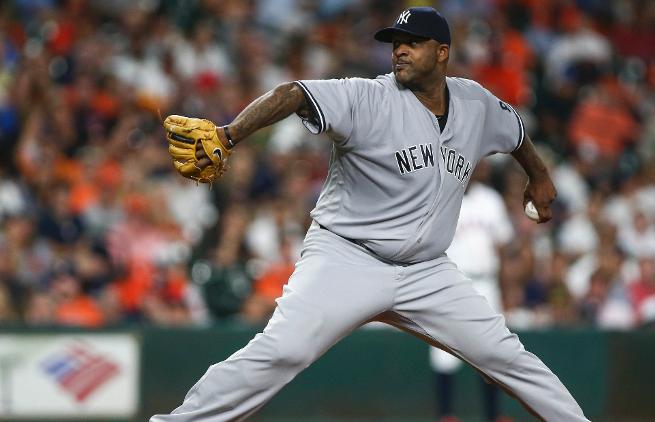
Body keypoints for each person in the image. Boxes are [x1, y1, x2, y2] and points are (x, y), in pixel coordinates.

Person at [153, 7, 587, 421]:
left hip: (426, 272)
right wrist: (229, 135)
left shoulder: (477, 104)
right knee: (283, 351)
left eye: (412, 42)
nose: (400, 50)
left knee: (505, 356)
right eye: (396, 42)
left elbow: (515, 133)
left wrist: (539, 175)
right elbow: (294, 94)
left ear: (442, 53)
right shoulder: (368, 97)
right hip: (346, 258)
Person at [429, 159, 514, 422]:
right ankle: (446, 415)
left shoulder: (491, 200)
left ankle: (493, 415)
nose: (482, 168)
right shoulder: (441, 196)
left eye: (484, 164)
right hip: (451, 282)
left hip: (486, 282)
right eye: (477, 162)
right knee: (444, 350)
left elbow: (501, 248)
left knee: (492, 350)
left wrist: (505, 287)